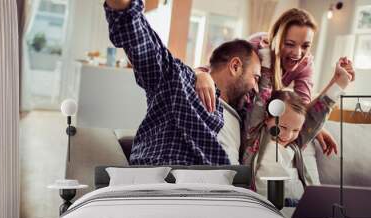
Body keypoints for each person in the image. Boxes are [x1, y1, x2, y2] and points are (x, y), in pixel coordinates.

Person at [105, 0, 261, 165]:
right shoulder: (181, 82)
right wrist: (123, 6)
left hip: (216, 188)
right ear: (235, 66)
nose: (257, 88)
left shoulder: (240, 120)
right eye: (255, 78)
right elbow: (144, 44)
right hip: (161, 180)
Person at [195, 8, 340, 157]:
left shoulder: (306, 64)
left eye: (305, 46)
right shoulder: (258, 46)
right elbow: (218, 67)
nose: (298, 53)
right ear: (276, 39)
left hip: (268, 113)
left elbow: (300, 108)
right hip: (244, 111)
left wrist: (317, 127)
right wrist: (201, 74)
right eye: (290, 44)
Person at [243, 51, 354, 201]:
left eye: (295, 130)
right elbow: (262, 95)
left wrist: (340, 82)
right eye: (282, 127)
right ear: (266, 118)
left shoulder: (294, 144)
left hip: (296, 207)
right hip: (266, 207)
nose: (288, 136)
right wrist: (268, 57)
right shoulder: (255, 136)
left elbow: (316, 117)